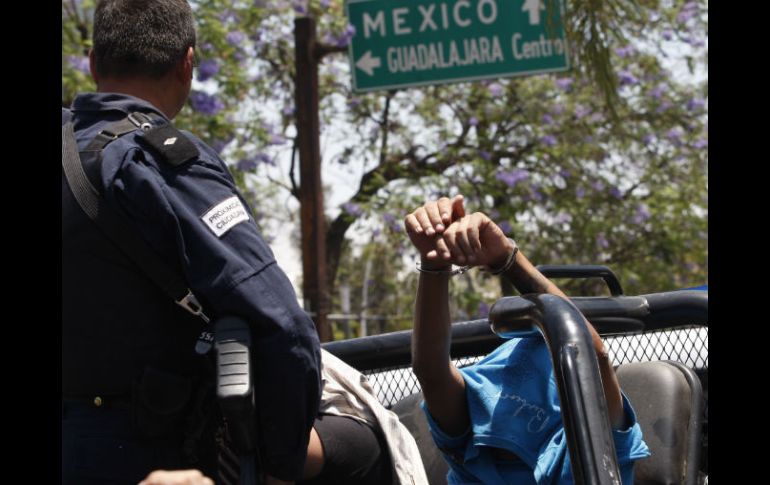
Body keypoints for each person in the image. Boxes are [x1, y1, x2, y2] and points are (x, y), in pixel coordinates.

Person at [62, 2, 427, 485]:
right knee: (366, 448)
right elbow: (283, 326)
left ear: (91, 61)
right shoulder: (156, 164)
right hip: (159, 452)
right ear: (187, 64)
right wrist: (281, 462)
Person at [404, 195, 650, 484]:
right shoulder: (472, 447)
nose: (504, 404)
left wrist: (507, 258)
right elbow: (431, 370)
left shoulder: (595, 448)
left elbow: (592, 356)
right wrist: (435, 264)